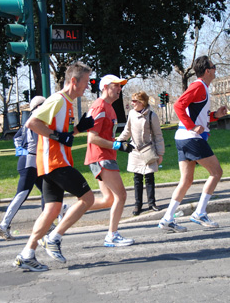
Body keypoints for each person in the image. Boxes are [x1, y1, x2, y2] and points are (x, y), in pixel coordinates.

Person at [13, 61, 96, 271]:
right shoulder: (57, 100)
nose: (88, 86)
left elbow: (64, 137)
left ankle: (27, 254)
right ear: (74, 81)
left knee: (51, 210)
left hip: (50, 163)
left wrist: (78, 129)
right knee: (88, 198)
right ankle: (54, 237)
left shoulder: (66, 103)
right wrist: (57, 136)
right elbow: (31, 123)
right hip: (55, 162)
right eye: (86, 82)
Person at [158, 55, 228, 232]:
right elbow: (178, 106)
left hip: (184, 138)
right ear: (207, 71)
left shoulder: (202, 88)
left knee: (186, 180)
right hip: (191, 138)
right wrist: (191, 126)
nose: (215, 70)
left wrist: (216, 115)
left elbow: (198, 115)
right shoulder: (198, 86)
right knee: (216, 172)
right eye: (213, 67)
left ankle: (167, 218)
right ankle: (200, 212)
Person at [83, 74, 135, 247]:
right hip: (101, 157)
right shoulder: (100, 106)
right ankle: (112, 236)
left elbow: (106, 135)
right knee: (121, 195)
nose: (120, 89)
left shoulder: (110, 107)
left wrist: (120, 143)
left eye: (121, 86)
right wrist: (117, 147)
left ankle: (66, 210)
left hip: (105, 156)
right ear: (105, 87)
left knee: (108, 199)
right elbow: (92, 137)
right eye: (116, 86)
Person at [0, 96, 47, 240]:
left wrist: (21, 150)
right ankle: (3, 225)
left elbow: (16, 138)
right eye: (45, 104)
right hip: (30, 162)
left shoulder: (29, 121)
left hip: (30, 160)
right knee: (22, 194)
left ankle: (48, 223)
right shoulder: (37, 120)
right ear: (39, 106)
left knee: (47, 192)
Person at [117, 91, 165, 216]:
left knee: (149, 177)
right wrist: (118, 141)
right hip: (134, 150)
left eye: (135, 101)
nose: (132, 103)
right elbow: (127, 130)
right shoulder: (132, 114)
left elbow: (158, 136)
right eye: (132, 101)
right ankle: (137, 205)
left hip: (148, 150)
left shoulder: (151, 116)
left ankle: (152, 203)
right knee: (137, 179)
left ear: (142, 102)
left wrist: (160, 154)